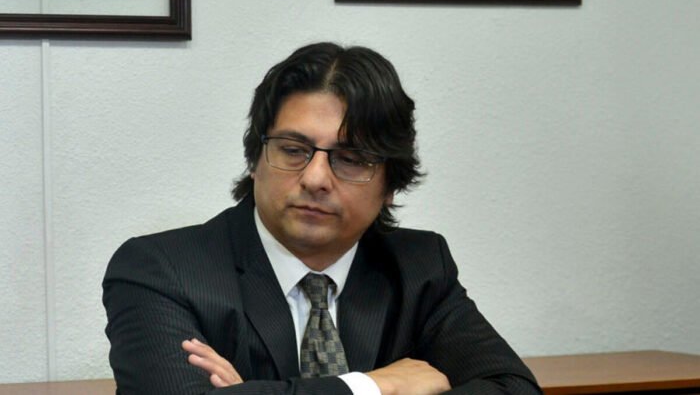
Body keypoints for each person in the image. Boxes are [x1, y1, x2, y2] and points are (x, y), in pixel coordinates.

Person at [103, 42, 541, 395]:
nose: (315, 178)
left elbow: (514, 388)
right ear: (255, 160)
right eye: (293, 150)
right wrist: (372, 387)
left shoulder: (420, 268)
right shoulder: (163, 271)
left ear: (390, 185)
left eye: (350, 159)